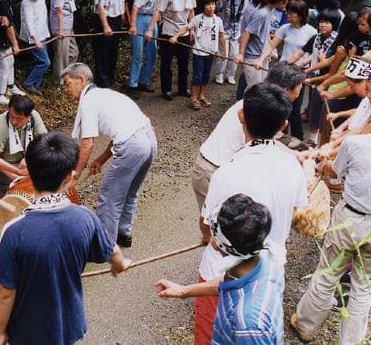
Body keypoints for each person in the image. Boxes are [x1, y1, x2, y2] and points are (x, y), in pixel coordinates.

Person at [0, 132, 130, 345]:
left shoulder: (13, 230)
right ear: (70, 178)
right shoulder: (85, 217)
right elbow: (113, 252)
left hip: (28, 330)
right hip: (67, 323)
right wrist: (119, 265)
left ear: (29, 173)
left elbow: (5, 291)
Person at [194, 83, 308, 344]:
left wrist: (205, 235)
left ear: (241, 116)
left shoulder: (227, 172)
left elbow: (207, 224)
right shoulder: (292, 166)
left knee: (209, 334)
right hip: (268, 271)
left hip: (222, 273)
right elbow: (295, 210)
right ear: (282, 127)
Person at [156, 194, 284, 344]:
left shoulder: (247, 324)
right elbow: (229, 282)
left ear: (216, 243)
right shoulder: (265, 260)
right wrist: (185, 291)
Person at [61, 63, 157, 246]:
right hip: (149, 139)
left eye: (67, 83)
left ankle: (104, 245)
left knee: (109, 196)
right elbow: (123, 128)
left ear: (81, 80)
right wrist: (102, 159)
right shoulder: (106, 94)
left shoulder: (88, 101)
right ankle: (123, 234)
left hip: (134, 144)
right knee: (129, 192)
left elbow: (87, 144)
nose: (65, 89)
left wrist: (75, 174)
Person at [291, 124, 371, 343]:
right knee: (364, 286)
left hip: (350, 218)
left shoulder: (356, 144)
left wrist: (321, 164)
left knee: (328, 273)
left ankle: (306, 325)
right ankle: (350, 341)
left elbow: (334, 171)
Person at [190, 63, 306, 210]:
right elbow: (263, 149)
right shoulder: (263, 111)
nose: (299, 93)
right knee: (220, 228)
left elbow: (267, 143)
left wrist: (294, 154)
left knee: (217, 226)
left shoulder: (257, 102)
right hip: (212, 171)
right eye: (299, 89)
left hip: (211, 169)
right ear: (285, 90)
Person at [255, 0, 317, 147]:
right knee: (278, 101)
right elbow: (272, 45)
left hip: (298, 72)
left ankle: (297, 136)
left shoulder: (311, 31)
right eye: (288, 12)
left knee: (295, 106)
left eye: (292, 13)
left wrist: (302, 65)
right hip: (282, 69)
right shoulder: (284, 28)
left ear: (301, 15)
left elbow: (312, 53)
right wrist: (260, 59)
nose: (289, 16)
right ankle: (281, 129)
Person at [289, 8, 341, 146]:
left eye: (327, 22)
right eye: (321, 22)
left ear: (334, 24)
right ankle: (313, 139)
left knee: (325, 111)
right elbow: (303, 53)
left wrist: (321, 59)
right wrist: (291, 64)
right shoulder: (316, 38)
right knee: (314, 108)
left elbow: (328, 60)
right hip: (315, 76)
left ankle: (325, 143)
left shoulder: (338, 41)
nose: (322, 25)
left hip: (329, 79)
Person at [145, 0, 196, 101]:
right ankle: (166, 89)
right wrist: (150, 29)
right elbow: (158, 12)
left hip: (183, 31)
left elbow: (191, 12)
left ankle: (183, 88)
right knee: (166, 62)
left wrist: (192, 29)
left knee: (184, 62)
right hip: (168, 31)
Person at [170, 0, 226, 110]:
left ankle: (202, 95)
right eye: (208, 4)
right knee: (197, 75)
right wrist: (175, 36)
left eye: (212, 4)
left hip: (211, 53)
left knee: (206, 75)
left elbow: (221, 36)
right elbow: (186, 28)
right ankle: (193, 98)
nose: (211, 7)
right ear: (203, 6)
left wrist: (224, 51)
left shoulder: (218, 20)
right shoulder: (197, 19)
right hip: (198, 53)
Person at [0, 95, 47, 197]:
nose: (14, 121)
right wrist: (16, 177)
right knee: (18, 194)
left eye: (19, 118)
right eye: (11, 116)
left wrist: (28, 158)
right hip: (6, 164)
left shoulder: (34, 117)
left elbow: (44, 140)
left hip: (26, 160)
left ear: (29, 117)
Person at [126, 0, 169, 99]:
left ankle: (143, 81)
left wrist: (159, 20)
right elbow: (135, 7)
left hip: (153, 19)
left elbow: (160, 8)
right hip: (140, 18)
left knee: (152, 53)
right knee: (138, 53)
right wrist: (132, 25)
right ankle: (132, 84)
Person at [234, 0, 289, 90]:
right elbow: (247, 32)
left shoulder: (269, 9)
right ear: (280, 0)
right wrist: (240, 54)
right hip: (252, 56)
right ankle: (244, 106)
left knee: (262, 87)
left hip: (261, 55)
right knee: (253, 89)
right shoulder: (261, 13)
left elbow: (264, 32)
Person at [93, 0, 129, 88]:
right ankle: (102, 83)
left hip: (117, 19)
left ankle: (110, 79)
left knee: (113, 51)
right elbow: (100, 7)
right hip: (105, 20)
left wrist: (123, 15)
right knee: (103, 52)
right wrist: (105, 26)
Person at [215, 0, 251, 85]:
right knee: (223, 53)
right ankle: (219, 74)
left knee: (234, 54)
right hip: (225, 28)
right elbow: (217, 8)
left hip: (238, 31)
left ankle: (230, 75)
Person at [49, 0, 79, 83]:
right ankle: (60, 82)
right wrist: (61, 30)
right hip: (61, 27)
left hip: (68, 25)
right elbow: (59, 10)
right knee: (61, 56)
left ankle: (66, 76)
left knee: (74, 52)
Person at [20, 0, 51, 94]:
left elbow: (43, 16)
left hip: (42, 33)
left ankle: (36, 86)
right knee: (45, 62)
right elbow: (28, 23)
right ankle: (29, 83)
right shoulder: (27, 3)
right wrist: (35, 39)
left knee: (40, 62)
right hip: (34, 38)